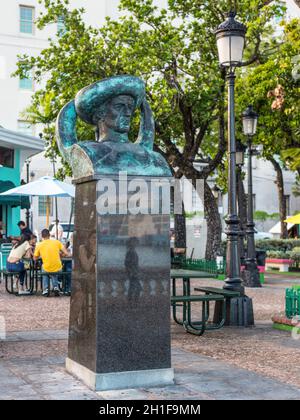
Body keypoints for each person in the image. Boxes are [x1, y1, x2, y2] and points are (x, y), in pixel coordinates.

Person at [34, 228, 69, 297]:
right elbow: (66, 253)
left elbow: (35, 258)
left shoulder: (39, 245)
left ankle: (46, 289)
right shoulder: (57, 242)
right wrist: (61, 255)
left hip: (47, 268)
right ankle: (55, 287)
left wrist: (41, 255)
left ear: (42, 236)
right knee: (54, 269)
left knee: (45, 268)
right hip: (58, 268)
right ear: (49, 235)